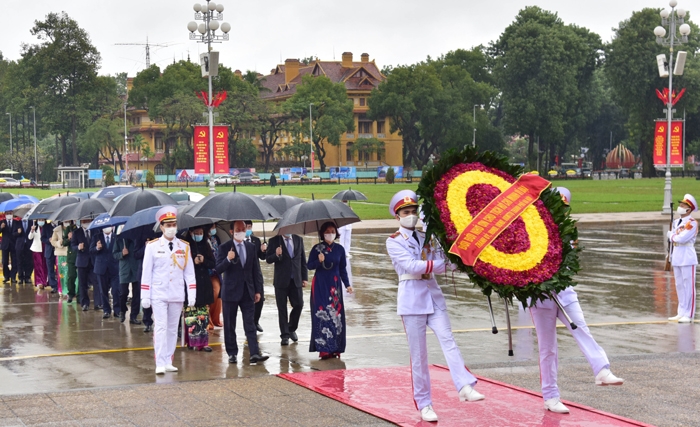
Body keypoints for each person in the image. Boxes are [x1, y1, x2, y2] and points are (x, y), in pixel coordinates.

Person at [386, 190, 484, 422]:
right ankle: (425, 403)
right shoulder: (394, 241)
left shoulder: (428, 236)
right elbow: (412, 265)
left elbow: (447, 260)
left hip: (433, 295)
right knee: (419, 357)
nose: (411, 215)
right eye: (406, 212)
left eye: (414, 211)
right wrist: (441, 265)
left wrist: (464, 260)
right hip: (412, 300)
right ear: (397, 216)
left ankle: (464, 385)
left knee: (448, 340)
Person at [530, 187, 623, 414]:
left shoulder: (569, 230)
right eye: (556, 206)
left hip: (563, 290)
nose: (559, 211)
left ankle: (601, 370)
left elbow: (569, 262)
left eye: (563, 207)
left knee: (581, 327)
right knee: (548, 349)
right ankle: (550, 396)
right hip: (540, 295)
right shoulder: (532, 226)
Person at [140, 206, 196, 374]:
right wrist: (145, 295)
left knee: (172, 329)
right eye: (168, 225)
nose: (172, 228)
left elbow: (189, 272)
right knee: (161, 327)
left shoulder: (184, 246)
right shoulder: (152, 246)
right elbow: (146, 272)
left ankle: (169, 359)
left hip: (176, 293)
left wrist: (191, 294)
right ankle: (160, 361)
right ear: (162, 227)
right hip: (158, 293)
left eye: (174, 224)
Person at [215, 220, 268, 365]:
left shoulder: (250, 247)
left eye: (243, 229)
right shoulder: (224, 247)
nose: (241, 231)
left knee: (250, 323)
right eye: (238, 229)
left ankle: (254, 353)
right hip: (230, 292)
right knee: (230, 324)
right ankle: (232, 353)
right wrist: (228, 259)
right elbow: (218, 269)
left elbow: (255, 270)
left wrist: (258, 290)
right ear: (232, 231)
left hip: (247, 291)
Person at [307, 221, 352, 359]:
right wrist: (318, 261)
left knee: (336, 315)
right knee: (322, 313)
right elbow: (309, 266)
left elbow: (342, 268)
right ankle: (324, 347)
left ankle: (336, 347)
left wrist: (347, 284)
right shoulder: (317, 249)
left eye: (332, 231)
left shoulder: (339, 249)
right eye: (327, 232)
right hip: (320, 284)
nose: (330, 234)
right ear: (322, 233)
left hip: (335, 286)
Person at [266, 232, 308, 346]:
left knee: (299, 304)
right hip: (281, 281)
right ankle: (284, 335)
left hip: (296, 280)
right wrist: (276, 255)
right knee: (282, 309)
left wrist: (304, 277)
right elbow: (268, 259)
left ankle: (291, 328)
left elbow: (302, 260)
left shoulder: (298, 239)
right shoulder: (274, 241)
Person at [667, 193, 698, 323]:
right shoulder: (676, 222)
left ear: (689, 209)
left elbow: (682, 238)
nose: (680, 206)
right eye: (680, 204)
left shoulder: (692, 223)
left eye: (683, 205)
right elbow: (674, 239)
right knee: (679, 285)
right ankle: (681, 311)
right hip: (677, 256)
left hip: (687, 256)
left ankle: (689, 314)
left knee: (688, 286)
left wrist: (671, 236)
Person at [183, 226, 215, 351]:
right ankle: (191, 342)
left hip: (204, 283)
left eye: (201, 233)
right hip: (191, 283)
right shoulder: (185, 246)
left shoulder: (206, 245)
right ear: (191, 232)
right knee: (192, 313)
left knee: (202, 314)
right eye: (196, 233)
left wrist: (204, 261)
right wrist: (193, 262)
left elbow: (213, 263)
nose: (199, 235)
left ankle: (203, 342)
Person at [90, 227, 121, 319]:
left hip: (114, 267)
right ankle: (106, 310)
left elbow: (119, 250)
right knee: (103, 291)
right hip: (101, 268)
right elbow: (91, 250)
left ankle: (117, 310)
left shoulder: (116, 237)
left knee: (116, 290)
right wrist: (97, 248)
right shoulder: (96, 237)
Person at [113, 237, 143, 325]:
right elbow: (114, 254)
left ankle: (133, 316)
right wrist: (121, 253)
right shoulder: (119, 239)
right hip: (124, 269)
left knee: (136, 294)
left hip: (136, 268)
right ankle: (122, 310)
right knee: (123, 292)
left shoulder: (138, 238)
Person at [72, 218, 100, 311]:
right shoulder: (76, 232)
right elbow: (73, 246)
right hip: (82, 262)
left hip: (93, 261)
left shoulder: (96, 231)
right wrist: (78, 247)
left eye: (88, 220)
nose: (86, 222)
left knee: (96, 282)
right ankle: (84, 303)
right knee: (82, 284)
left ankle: (97, 303)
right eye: (84, 221)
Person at [244, 220, 267, 332]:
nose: (248, 229)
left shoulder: (256, 240)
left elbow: (262, 257)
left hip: (256, 273)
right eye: (246, 227)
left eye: (250, 227)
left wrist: (263, 251)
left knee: (260, 299)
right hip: (244, 274)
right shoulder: (238, 241)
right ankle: (249, 324)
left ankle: (256, 321)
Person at [337, 201, 354, 303]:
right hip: (342, 226)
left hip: (348, 225)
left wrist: (350, 211)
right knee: (342, 239)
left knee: (348, 239)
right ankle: (343, 251)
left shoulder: (349, 207)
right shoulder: (339, 208)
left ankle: (347, 251)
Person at [207, 224, 223, 329]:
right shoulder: (201, 240)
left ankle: (215, 318)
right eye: (211, 226)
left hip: (216, 271)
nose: (214, 228)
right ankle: (208, 320)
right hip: (205, 272)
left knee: (218, 294)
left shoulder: (216, 238)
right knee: (211, 293)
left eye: (214, 226)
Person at [28, 220, 48, 289]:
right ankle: (39, 282)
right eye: (40, 220)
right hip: (37, 249)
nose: (41, 221)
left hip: (45, 248)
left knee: (44, 265)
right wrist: (32, 230)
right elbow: (30, 237)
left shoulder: (47, 227)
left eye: (42, 220)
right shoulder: (35, 227)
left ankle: (45, 281)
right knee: (38, 266)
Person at [50, 221, 68, 298]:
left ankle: (69, 290)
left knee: (69, 273)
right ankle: (61, 290)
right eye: (65, 221)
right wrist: (59, 243)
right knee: (61, 273)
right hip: (60, 253)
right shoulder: (56, 230)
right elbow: (53, 241)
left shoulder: (73, 229)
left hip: (69, 254)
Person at [62, 221, 78, 303]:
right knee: (71, 276)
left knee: (82, 277)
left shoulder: (85, 229)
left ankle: (81, 294)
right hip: (72, 257)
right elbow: (64, 243)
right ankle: (71, 293)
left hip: (82, 255)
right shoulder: (69, 229)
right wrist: (69, 238)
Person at [41, 221, 58, 293]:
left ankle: (61, 285)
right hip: (49, 251)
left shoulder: (60, 225)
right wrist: (48, 240)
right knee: (50, 270)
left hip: (58, 250)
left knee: (60, 269)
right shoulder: (46, 226)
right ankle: (54, 286)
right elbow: (42, 238)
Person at [16, 215, 33, 285]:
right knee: (20, 261)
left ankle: (27, 277)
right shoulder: (17, 223)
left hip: (29, 244)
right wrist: (18, 232)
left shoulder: (31, 222)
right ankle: (20, 277)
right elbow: (13, 233)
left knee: (29, 261)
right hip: (20, 245)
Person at [2, 210, 17, 283]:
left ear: (12, 214)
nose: (9, 215)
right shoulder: (2, 222)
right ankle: (6, 276)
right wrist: (1, 227)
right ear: (5, 214)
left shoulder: (16, 222)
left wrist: (17, 232)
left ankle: (13, 276)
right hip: (5, 245)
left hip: (13, 244)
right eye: (7, 213)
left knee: (14, 261)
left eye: (10, 213)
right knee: (5, 261)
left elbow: (18, 232)